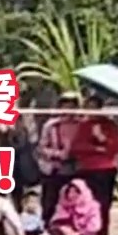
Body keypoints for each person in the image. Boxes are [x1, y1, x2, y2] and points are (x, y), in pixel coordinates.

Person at [69, 94, 118, 235]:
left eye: (93, 108)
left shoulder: (110, 126)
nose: (90, 111)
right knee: (83, 204)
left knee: (102, 206)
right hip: (86, 169)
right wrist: (97, 148)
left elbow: (115, 149)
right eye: (88, 108)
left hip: (105, 170)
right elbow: (76, 148)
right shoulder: (83, 126)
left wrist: (102, 138)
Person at [36, 90, 80, 224]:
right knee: (49, 201)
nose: (68, 109)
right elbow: (41, 147)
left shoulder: (81, 125)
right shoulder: (51, 125)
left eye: (72, 105)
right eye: (65, 105)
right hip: (53, 170)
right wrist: (58, 154)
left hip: (74, 169)